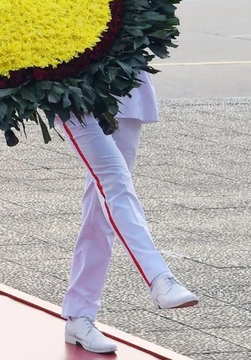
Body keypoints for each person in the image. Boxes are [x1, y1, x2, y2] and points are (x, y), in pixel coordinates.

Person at [59, 71, 198, 354]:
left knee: (101, 209)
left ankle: (79, 315)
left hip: (125, 86)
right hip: (71, 87)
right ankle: (160, 278)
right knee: (115, 182)